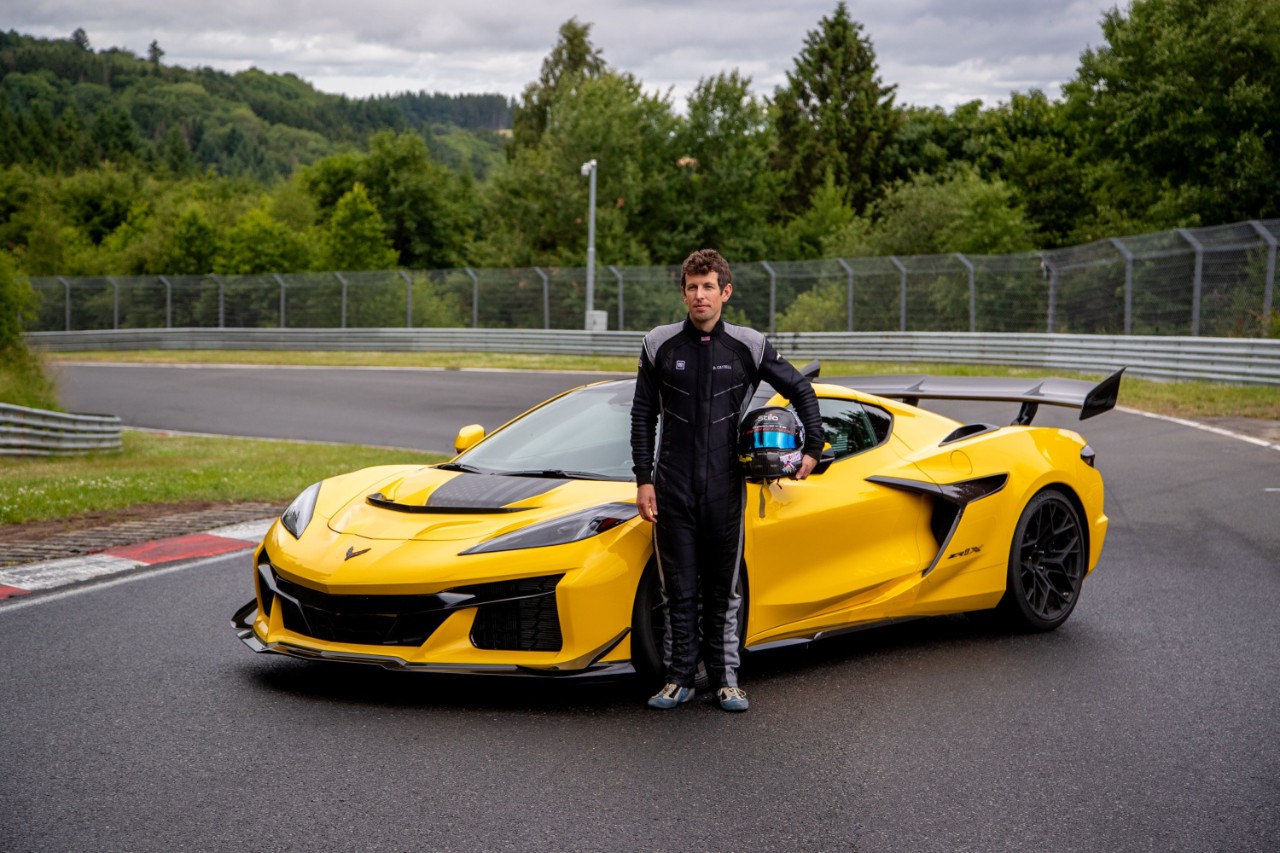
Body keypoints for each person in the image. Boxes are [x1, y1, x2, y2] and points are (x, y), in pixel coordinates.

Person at [630, 248, 824, 712]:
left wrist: (813, 449)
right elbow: (642, 416)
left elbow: (800, 388)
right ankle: (679, 679)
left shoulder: (748, 345)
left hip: (725, 486)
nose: (700, 295)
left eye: (708, 287)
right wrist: (643, 479)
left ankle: (726, 680)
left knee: (725, 588)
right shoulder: (659, 343)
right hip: (671, 485)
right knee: (677, 587)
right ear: (683, 292)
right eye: (692, 287)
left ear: (726, 292)